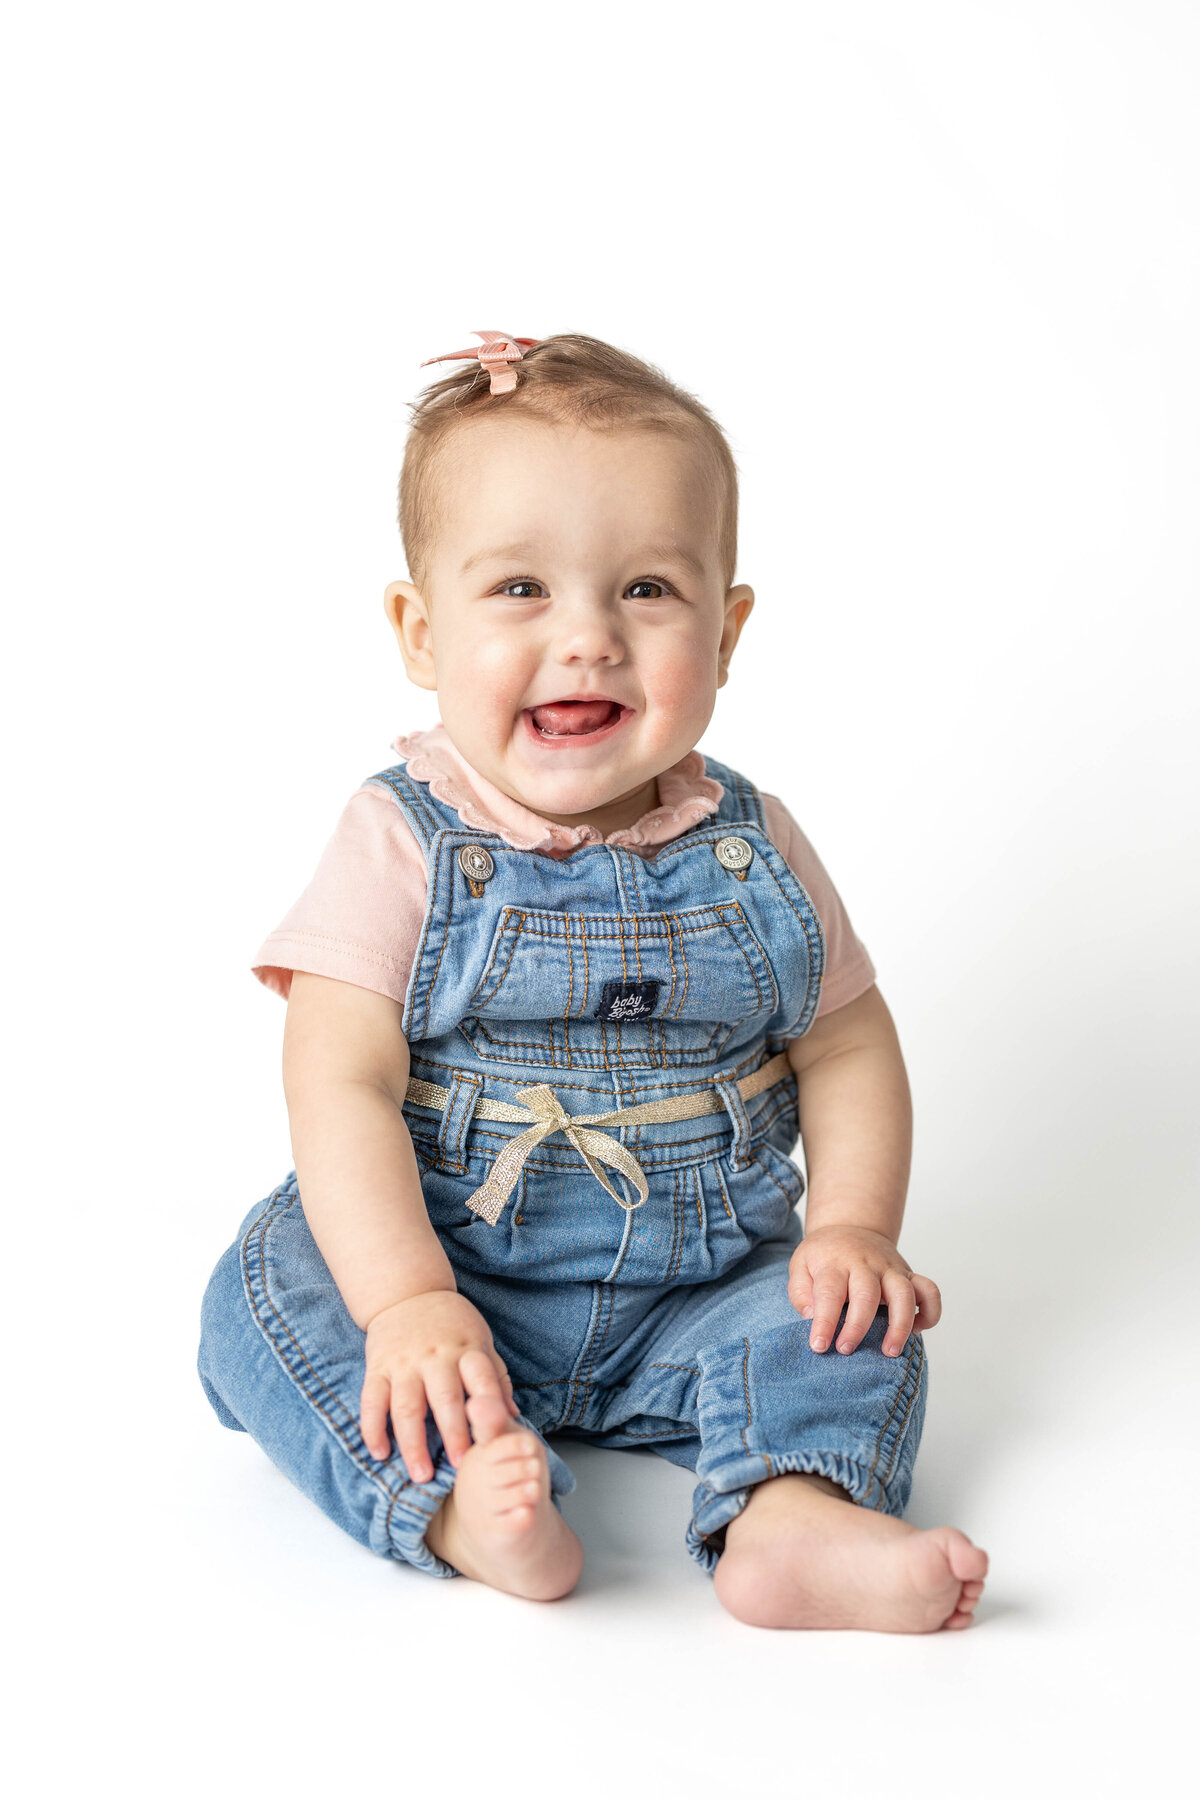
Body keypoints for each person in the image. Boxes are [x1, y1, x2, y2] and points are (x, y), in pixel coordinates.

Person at [197, 330, 988, 1630]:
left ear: (728, 630)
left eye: (647, 592)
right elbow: (338, 1077)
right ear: (418, 627)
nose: (588, 641)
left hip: (702, 1286)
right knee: (264, 1288)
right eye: (518, 590)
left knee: (843, 1327)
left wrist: (853, 1228)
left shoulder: (757, 845)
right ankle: (461, 1508)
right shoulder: (403, 838)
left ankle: (790, 1511)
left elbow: (847, 1042)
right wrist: (404, 1298)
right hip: (456, 1270)